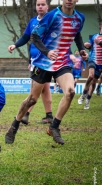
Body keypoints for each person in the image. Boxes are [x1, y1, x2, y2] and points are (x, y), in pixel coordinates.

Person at [5, 0, 88, 145]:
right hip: (42, 62)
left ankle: (54, 126)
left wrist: (81, 49)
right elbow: (34, 37)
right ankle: (14, 125)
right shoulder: (52, 16)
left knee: (70, 92)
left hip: (62, 62)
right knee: (32, 99)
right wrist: (47, 52)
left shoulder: (79, 17)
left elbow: (77, 35)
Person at [7, 0, 53, 125]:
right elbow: (27, 39)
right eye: (38, 5)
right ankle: (49, 115)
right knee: (44, 88)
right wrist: (15, 45)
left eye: (43, 4)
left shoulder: (52, 20)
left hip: (45, 60)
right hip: (35, 60)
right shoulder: (33, 21)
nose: (40, 7)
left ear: (47, 6)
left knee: (38, 88)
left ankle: (25, 114)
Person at [78, 22, 102, 109]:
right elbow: (90, 44)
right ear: (101, 26)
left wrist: (99, 43)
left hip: (101, 63)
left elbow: (99, 44)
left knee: (94, 82)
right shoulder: (94, 36)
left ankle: (88, 100)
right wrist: (86, 45)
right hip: (93, 59)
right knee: (91, 76)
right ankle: (84, 93)